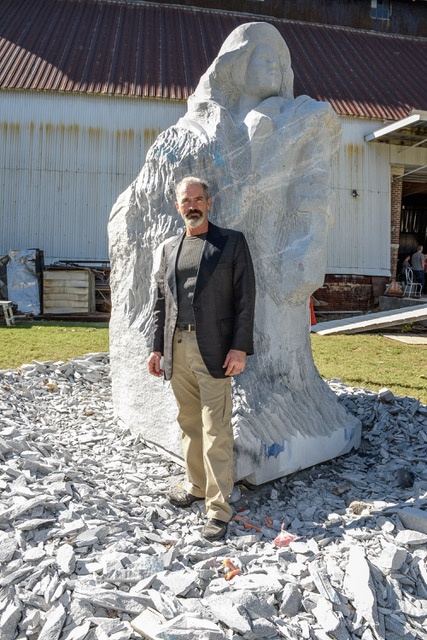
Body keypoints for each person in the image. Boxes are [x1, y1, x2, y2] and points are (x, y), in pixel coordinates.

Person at [146, 176, 255, 541]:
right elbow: (161, 301)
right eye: (185, 200)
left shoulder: (232, 242)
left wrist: (239, 348)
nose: (191, 205)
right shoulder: (168, 248)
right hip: (177, 349)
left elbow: (245, 299)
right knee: (189, 423)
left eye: (198, 199)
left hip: (215, 352)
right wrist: (156, 347)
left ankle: (219, 509)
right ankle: (196, 486)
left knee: (216, 430)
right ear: (177, 207)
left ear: (209, 202)